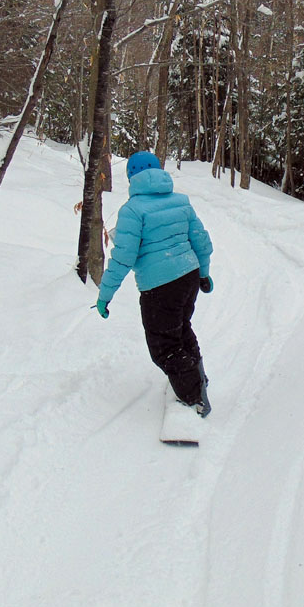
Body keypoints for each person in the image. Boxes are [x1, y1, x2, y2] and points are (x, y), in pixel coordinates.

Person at [94, 151, 214, 416]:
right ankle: (198, 378)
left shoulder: (133, 210)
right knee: (181, 329)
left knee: (164, 345)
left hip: (160, 286)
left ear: (131, 177)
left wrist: (105, 295)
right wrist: (204, 274)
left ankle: (195, 399)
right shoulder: (181, 202)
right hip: (189, 275)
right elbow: (202, 242)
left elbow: (123, 257)